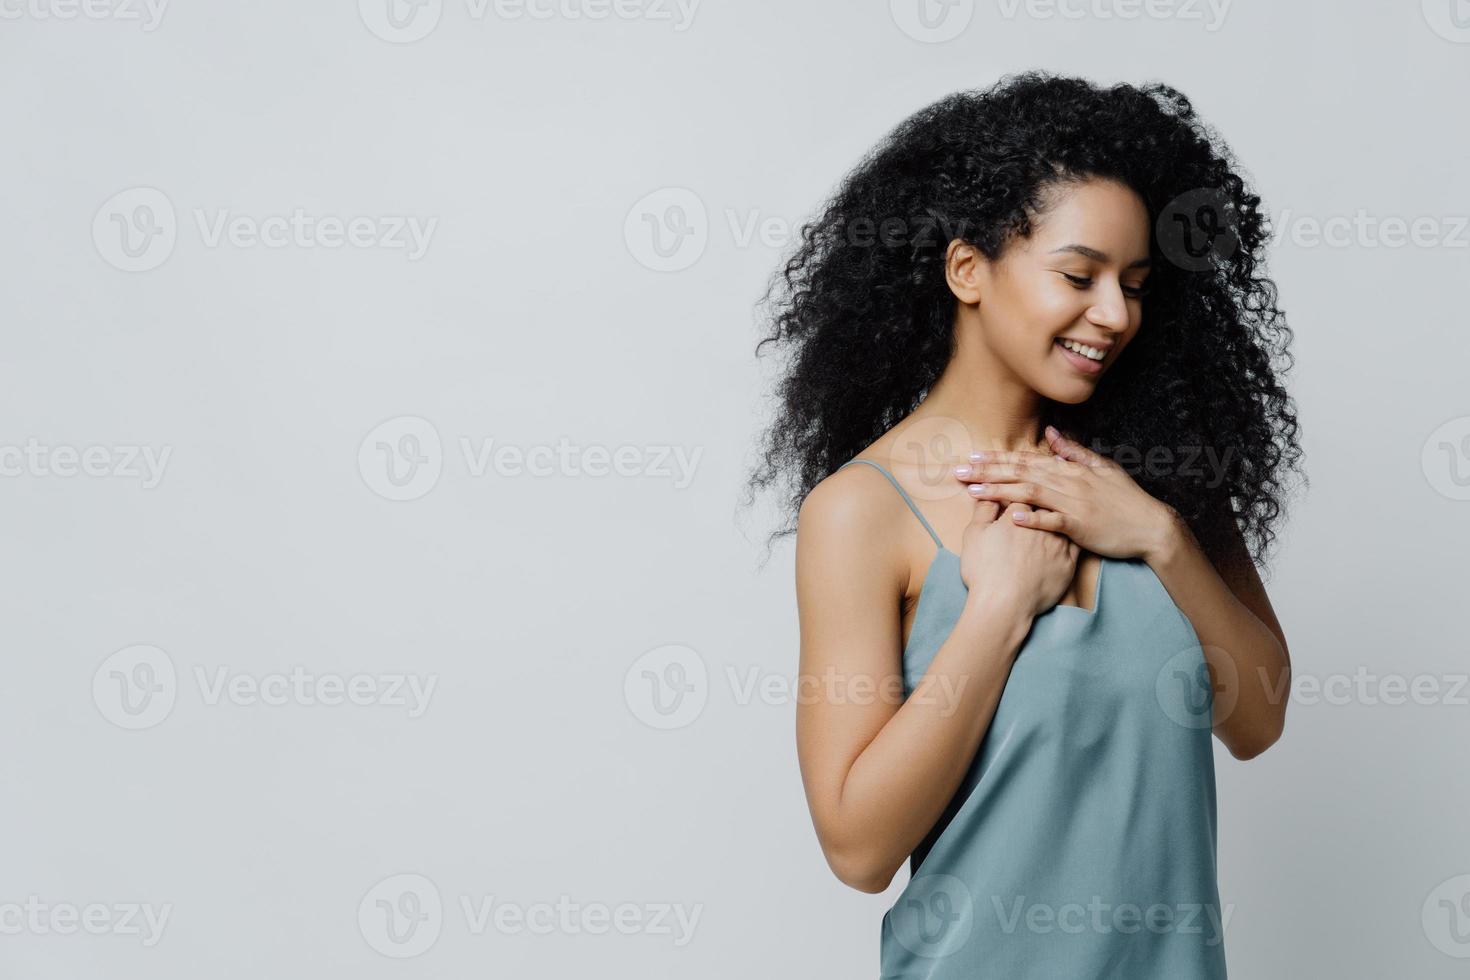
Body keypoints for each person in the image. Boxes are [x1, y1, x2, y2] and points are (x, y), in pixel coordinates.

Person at [746, 71, 1302, 977]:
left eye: (1134, 283)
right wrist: (997, 612)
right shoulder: (863, 510)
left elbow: (1259, 721)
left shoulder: (1163, 477)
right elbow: (857, 848)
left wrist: (1158, 535)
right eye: (1078, 275)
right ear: (968, 268)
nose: (1115, 315)